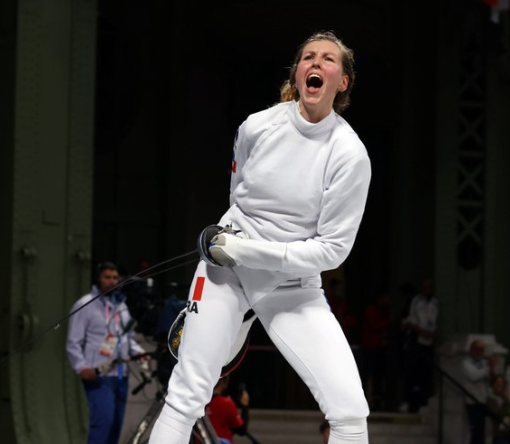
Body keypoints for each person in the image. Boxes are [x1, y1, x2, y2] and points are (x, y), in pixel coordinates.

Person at [148, 31, 371, 444]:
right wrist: (233, 249)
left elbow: (332, 250)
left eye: (327, 59)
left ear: (343, 81)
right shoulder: (258, 126)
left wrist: (247, 251)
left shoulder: (349, 155)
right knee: (185, 396)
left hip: (290, 288)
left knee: (350, 411)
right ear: (298, 71)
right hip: (226, 274)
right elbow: (240, 195)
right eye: (308, 57)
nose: (315, 64)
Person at [66, 262, 145, 444]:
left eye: (115, 278)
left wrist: (140, 352)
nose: (112, 281)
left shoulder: (121, 306)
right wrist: (81, 367)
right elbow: (73, 341)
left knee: (116, 425)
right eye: (107, 277)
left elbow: (126, 337)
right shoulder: (85, 304)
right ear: (98, 279)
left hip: (121, 375)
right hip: (99, 375)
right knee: (103, 423)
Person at [400, 279, 438, 413]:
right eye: (424, 287)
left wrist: (431, 333)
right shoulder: (416, 301)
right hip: (415, 339)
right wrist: (420, 331)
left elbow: (435, 321)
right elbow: (409, 320)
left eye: (429, 287)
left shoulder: (434, 303)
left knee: (425, 373)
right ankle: (406, 401)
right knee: (411, 371)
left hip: (428, 341)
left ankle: (423, 403)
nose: (427, 289)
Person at [462, 339, 498, 444]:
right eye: (477, 349)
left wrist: (492, 369)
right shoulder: (466, 363)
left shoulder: (483, 363)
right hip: (472, 401)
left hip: (483, 400)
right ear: (471, 350)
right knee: (475, 431)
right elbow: (474, 376)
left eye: (481, 349)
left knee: (482, 431)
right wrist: (488, 367)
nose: (479, 352)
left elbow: (490, 379)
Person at [206, 377, 249, 444]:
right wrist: (244, 406)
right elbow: (241, 430)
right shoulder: (225, 403)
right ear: (223, 382)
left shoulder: (200, 402)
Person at [486, 375, 510, 444]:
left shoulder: (503, 397)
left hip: (507, 431)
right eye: (497, 383)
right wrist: (507, 401)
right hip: (497, 434)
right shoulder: (490, 399)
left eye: (501, 383)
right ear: (493, 385)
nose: (500, 385)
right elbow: (498, 414)